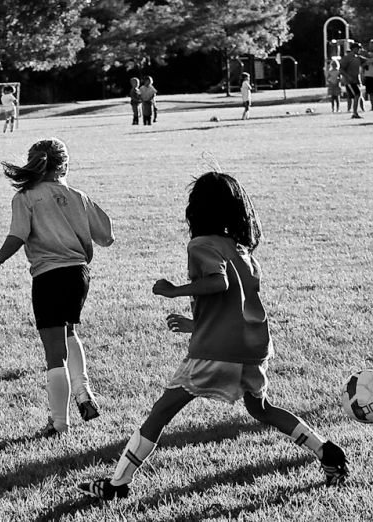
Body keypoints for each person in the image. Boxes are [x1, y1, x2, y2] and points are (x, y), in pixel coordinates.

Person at [77, 171, 349, 500]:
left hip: (217, 350)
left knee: (161, 412)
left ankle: (117, 484)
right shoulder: (243, 251)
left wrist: (174, 290)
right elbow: (235, 302)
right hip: (253, 346)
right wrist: (196, 325)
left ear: (197, 209)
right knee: (261, 409)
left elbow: (218, 283)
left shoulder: (201, 245)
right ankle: (327, 452)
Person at [0, 138, 114, 437]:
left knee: (54, 353)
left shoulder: (26, 197)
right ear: (64, 164)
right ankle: (84, 394)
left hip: (49, 277)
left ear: (33, 164)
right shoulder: (78, 195)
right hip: (79, 275)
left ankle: (59, 423)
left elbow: (18, 235)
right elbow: (107, 235)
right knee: (69, 332)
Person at [339, 44, 363, 119]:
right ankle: (354, 113)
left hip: (355, 80)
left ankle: (355, 112)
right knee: (357, 94)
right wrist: (348, 76)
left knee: (357, 95)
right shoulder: (347, 57)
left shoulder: (357, 58)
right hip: (349, 81)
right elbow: (341, 69)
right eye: (358, 48)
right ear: (354, 48)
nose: (359, 50)